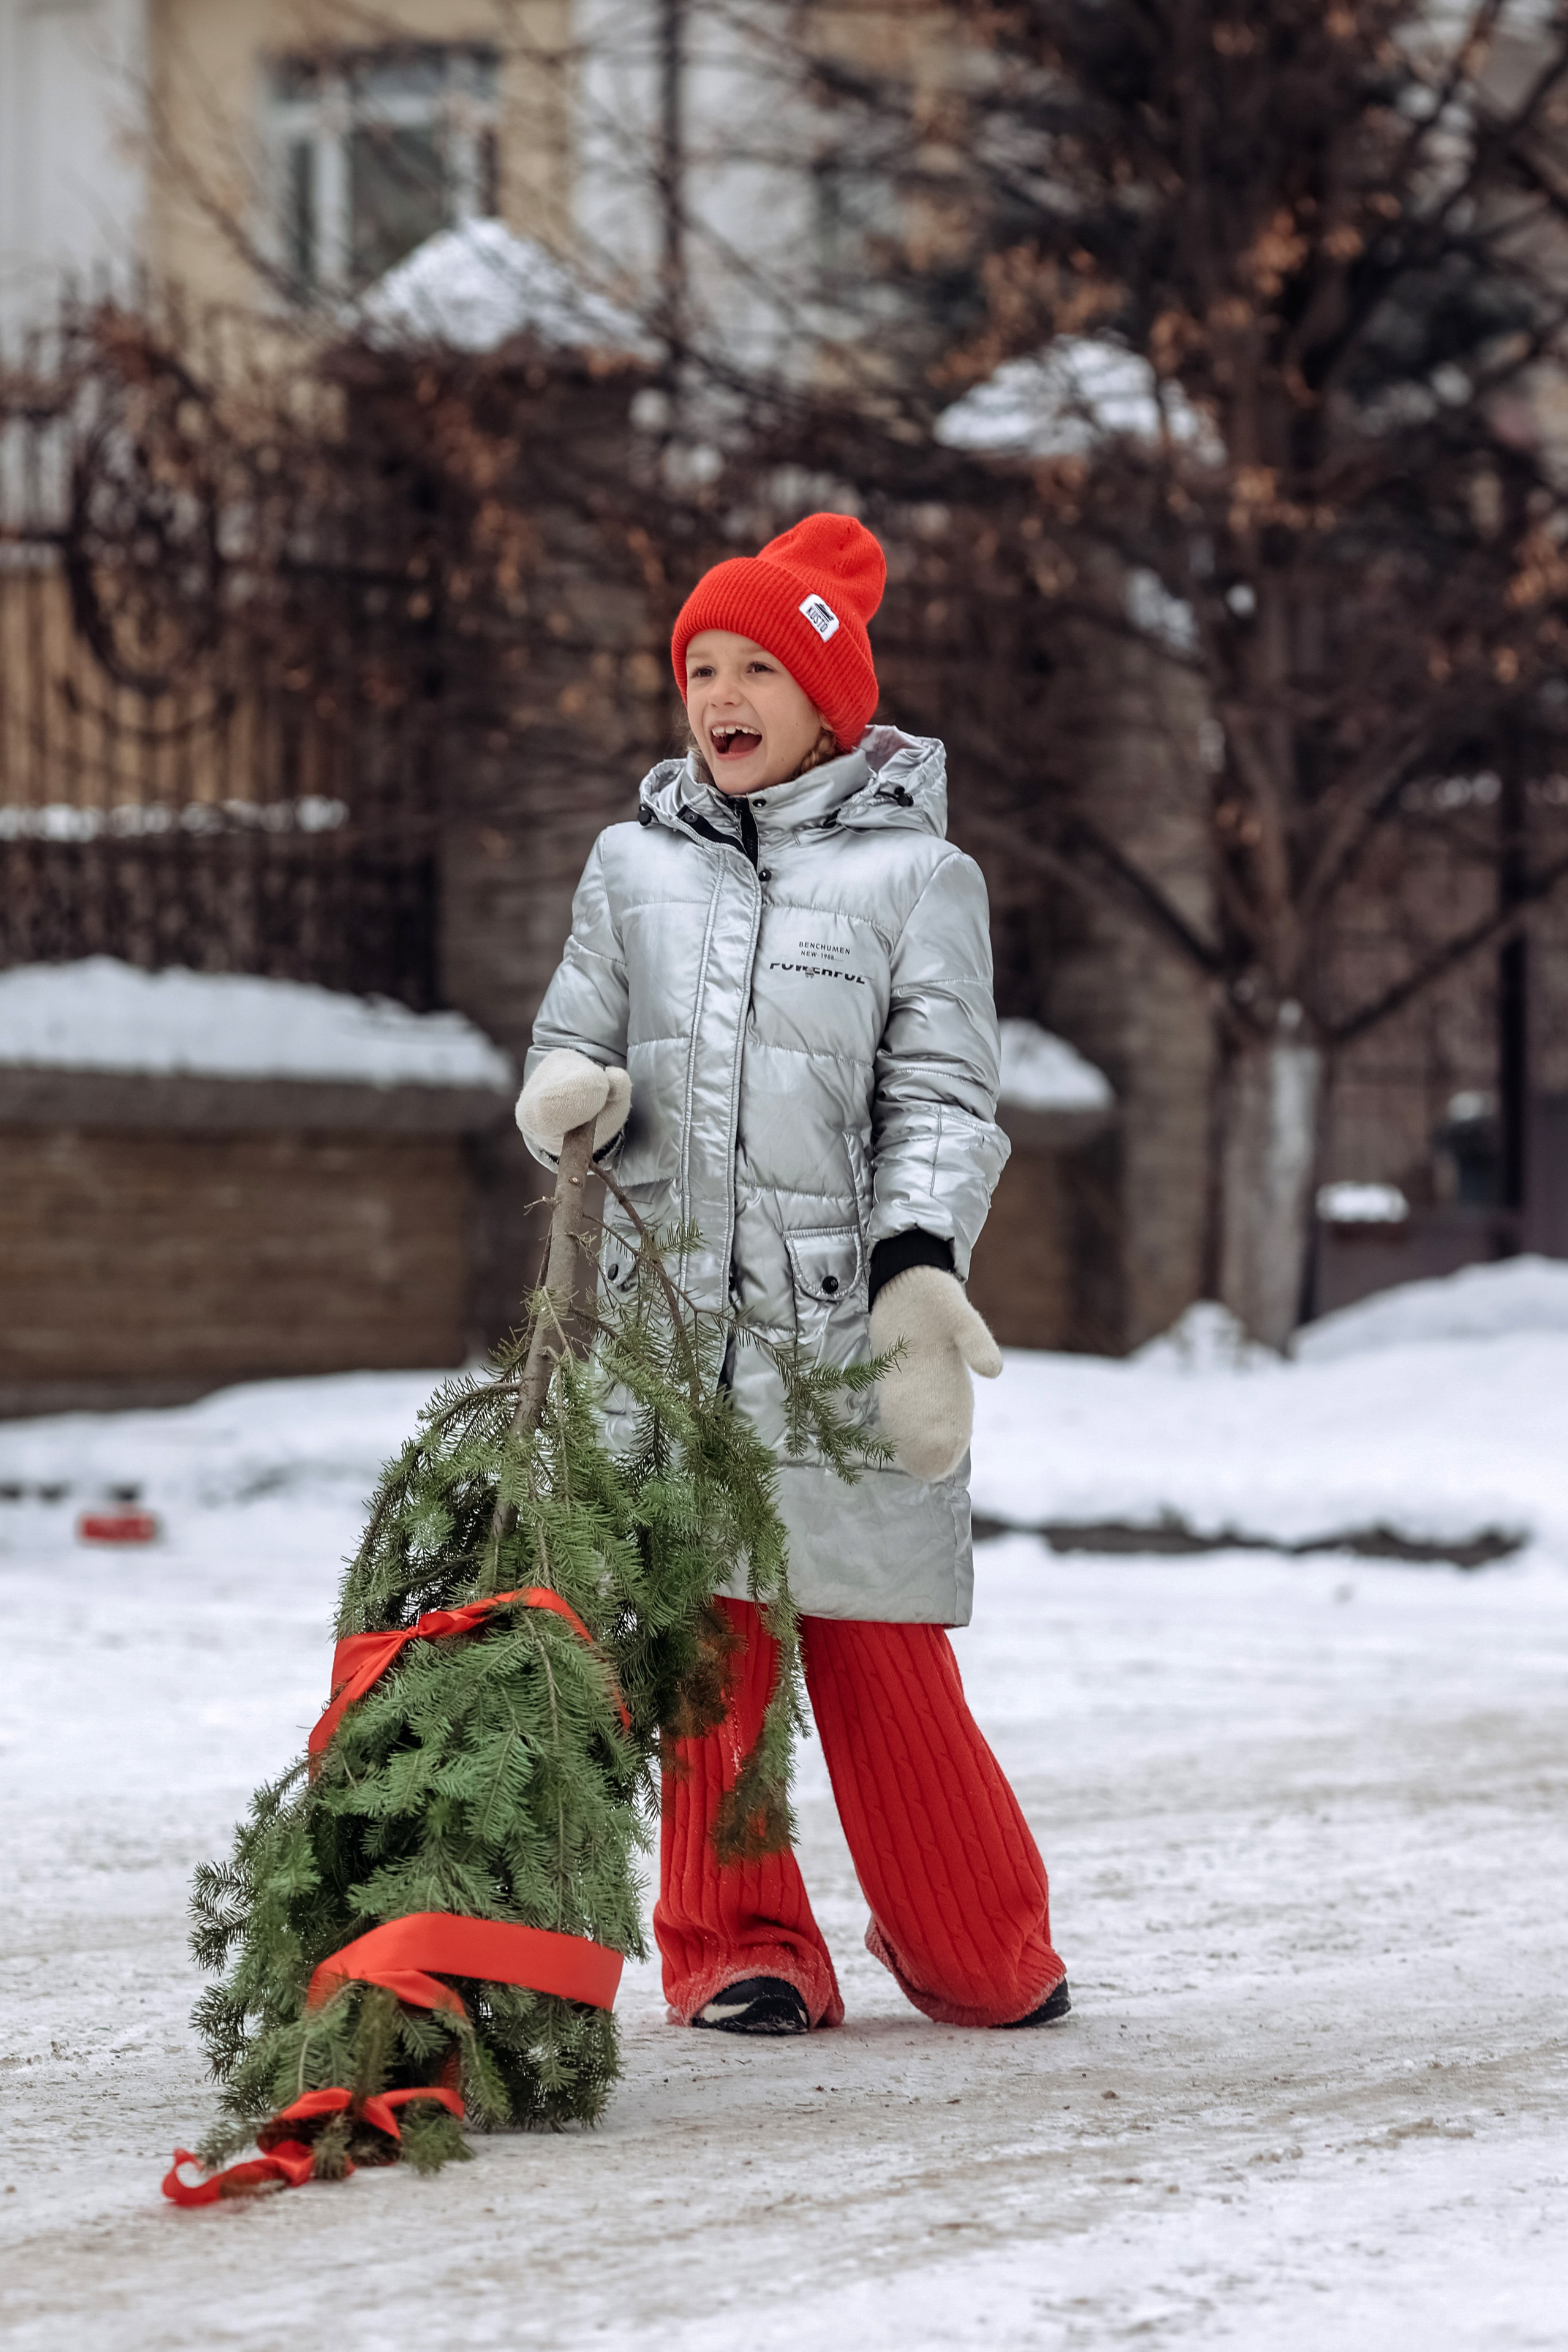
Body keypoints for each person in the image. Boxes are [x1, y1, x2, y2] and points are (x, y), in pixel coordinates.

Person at [516, 513, 1068, 2035]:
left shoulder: (915, 880)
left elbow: (943, 1101)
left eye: (758, 663)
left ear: (830, 696)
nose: (722, 691)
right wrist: (566, 1093)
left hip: (838, 1325)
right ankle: (737, 1944)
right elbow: (575, 1034)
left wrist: (915, 1275)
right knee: (710, 1646)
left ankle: (980, 1944)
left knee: (880, 1643)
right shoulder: (631, 867)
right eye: (701, 665)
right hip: (668, 1324)